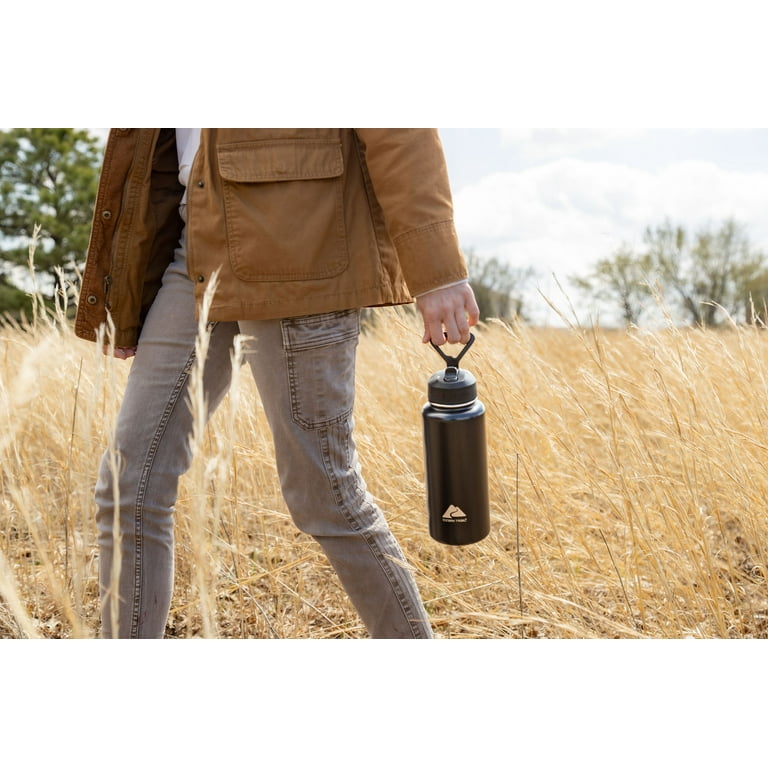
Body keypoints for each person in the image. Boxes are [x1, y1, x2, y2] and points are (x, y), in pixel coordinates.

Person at [75, 128, 479, 639]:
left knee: (324, 493)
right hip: (192, 245)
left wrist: (437, 270)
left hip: (298, 250)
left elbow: (400, 130)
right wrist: (129, 289)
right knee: (128, 484)